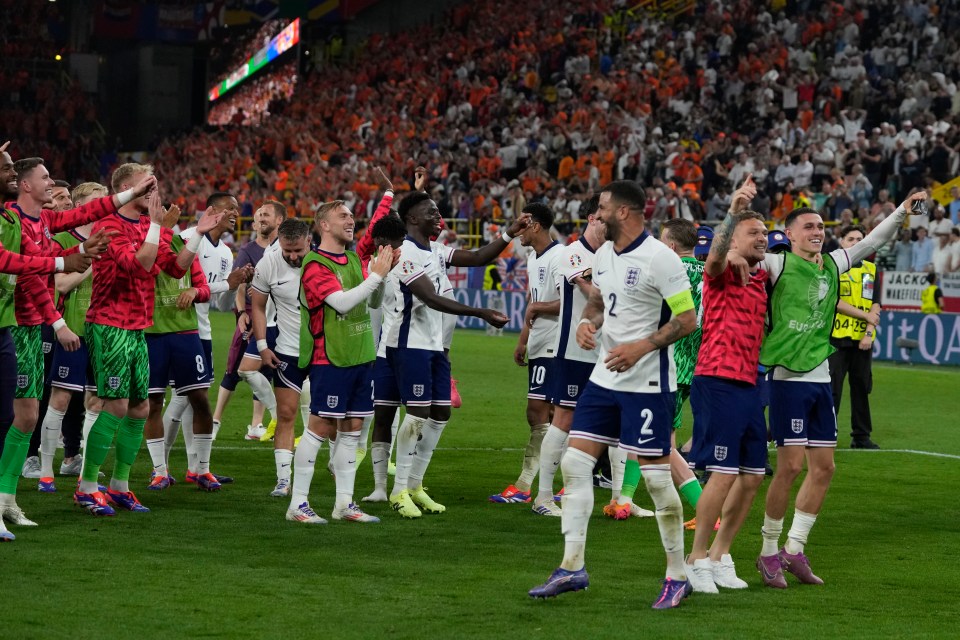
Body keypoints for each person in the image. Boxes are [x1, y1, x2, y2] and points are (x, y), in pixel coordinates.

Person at [529, 180, 697, 610]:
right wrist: (589, 323)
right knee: (575, 461)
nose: (596, 212)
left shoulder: (661, 259)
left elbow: (687, 320)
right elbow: (599, 303)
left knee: (658, 480)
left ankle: (678, 575)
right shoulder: (603, 254)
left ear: (623, 212)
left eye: (602, 206)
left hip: (647, 384)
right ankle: (572, 566)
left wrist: (640, 347)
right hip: (605, 381)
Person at [754, 191, 927, 588]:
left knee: (825, 467)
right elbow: (733, 259)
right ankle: (767, 552)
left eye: (820, 227)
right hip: (786, 377)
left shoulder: (832, 263)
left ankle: (793, 549)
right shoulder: (775, 265)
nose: (817, 232)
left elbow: (870, 242)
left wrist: (902, 210)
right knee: (791, 467)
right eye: (808, 227)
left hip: (819, 375)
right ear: (789, 233)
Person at [74, 163, 222, 516]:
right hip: (109, 325)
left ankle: (120, 486)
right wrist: (158, 226)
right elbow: (139, 266)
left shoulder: (146, 225)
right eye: (148, 185)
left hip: (138, 327)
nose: (156, 192)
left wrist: (197, 234)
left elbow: (176, 268)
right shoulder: (109, 225)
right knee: (116, 405)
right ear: (127, 187)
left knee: (139, 407)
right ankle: (87, 486)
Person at [385, 192, 517, 518]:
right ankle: (398, 489)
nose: (438, 216)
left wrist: (509, 233)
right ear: (413, 219)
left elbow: (479, 256)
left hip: (434, 346)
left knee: (441, 412)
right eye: (431, 212)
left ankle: (415, 485)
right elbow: (431, 298)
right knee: (416, 415)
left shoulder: (438, 251)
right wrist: (480, 312)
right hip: (409, 343)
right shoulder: (405, 254)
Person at [0, 145, 96, 540]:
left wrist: (54, 323)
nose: (53, 184)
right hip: (18, 326)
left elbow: (35, 280)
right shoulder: (12, 220)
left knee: (25, 417)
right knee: (15, 417)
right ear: (25, 184)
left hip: (23, 326)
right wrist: (63, 263)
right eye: (45, 178)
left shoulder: (36, 224)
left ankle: (6, 500)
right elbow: (16, 265)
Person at [682, 176, 770, 594]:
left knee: (751, 477)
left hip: (750, 384)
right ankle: (694, 559)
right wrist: (734, 212)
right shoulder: (718, 272)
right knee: (721, 473)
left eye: (766, 233)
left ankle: (720, 555)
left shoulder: (760, 277)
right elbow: (714, 261)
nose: (763, 238)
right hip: (716, 379)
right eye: (754, 232)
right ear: (733, 239)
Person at [285, 200, 395, 524]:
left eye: (350, 215)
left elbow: (373, 300)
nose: (350, 220)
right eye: (342, 215)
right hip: (329, 357)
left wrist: (381, 276)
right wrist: (375, 275)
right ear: (324, 225)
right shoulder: (315, 264)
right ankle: (298, 504)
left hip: (360, 354)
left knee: (352, 429)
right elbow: (342, 303)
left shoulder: (351, 259)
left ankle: (344, 504)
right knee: (320, 427)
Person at [610, 218, 703, 522]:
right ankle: (624, 499)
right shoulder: (707, 274)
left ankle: (704, 510)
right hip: (695, 362)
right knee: (649, 435)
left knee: (660, 442)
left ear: (671, 246)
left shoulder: (669, 273)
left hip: (666, 364)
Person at [158, 193, 252, 485]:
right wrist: (227, 283)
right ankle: (159, 468)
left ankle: (195, 467)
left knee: (193, 398)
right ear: (213, 211)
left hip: (204, 331)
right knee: (183, 397)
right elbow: (177, 286)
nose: (236, 214)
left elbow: (220, 305)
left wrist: (236, 285)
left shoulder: (225, 252)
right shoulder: (186, 239)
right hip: (178, 329)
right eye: (231, 209)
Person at [529, 196, 605, 517]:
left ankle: (619, 498)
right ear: (590, 218)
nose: (609, 222)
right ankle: (543, 497)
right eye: (603, 217)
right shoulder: (571, 252)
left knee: (609, 425)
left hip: (606, 351)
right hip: (573, 352)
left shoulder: (613, 255)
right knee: (563, 420)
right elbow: (590, 292)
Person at [35, 182, 110, 492]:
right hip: (71, 330)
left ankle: (81, 469)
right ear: (81, 208)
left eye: (105, 202)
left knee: (96, 401)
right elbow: (61, 285)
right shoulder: (63, 239)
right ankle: (44, 472)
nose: (102, 208)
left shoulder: (111, 239)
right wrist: (93, 261)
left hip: (102, 330)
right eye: (96, 203)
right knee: (60, 398)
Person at [490, 203, 561, 507]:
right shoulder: (534, 257)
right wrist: (523, 340)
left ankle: (526, 484)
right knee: (553, 415)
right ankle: (559, 483)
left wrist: (536, 310)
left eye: (523, 225)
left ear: (535, 225)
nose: (518, 231)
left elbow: (570, 303)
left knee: (540, 412)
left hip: (558, 345)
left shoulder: (561, 257)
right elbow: (535, 302)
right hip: (539, 342)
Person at [246, 218, 312, 497]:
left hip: (325, 352)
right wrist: (262, 345)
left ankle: (336, 467)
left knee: (330, 417)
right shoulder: (268, 263)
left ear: (310, 241)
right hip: (287, 350)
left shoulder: (325, 262)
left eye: (298, 250)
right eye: (288, 251)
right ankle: (284, 479)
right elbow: (258, 307)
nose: (293, 256)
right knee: (286, 415)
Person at [212, 201, 283, 441]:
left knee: (265, 371)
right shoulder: (248, 250)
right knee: (236, 369)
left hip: (278, 318)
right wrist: (242, 313)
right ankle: (215, 421)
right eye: (259, 214)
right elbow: (240, 287)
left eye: (267, 214)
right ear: (253, 223)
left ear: (279, 220)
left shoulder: (285, 248)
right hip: (253, 316)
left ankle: (256, 426)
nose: (262, 217)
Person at [829, 225, 881, 450]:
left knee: (861, 386)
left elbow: (876, 303)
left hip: (863, 339)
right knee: (832, 389)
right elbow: (835, 302)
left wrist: (869, 332)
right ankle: (827, 433)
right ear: (841, 242)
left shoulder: (871, 268)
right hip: (837, 338)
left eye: (860, 239)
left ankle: (861, 436)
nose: (856, 242)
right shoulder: (833, 267)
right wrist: (866, 315)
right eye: (851, 239)